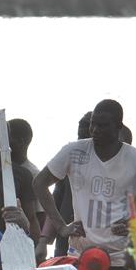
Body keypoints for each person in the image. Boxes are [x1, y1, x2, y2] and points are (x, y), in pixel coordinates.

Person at [33, 99, 136, 270]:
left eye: (103, 125)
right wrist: (61, 227)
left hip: (119, 258)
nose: (95, 130)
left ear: (118, 127)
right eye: (93, 124)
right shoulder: (74, 151)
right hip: (80, 254)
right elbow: (39, 183)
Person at [38, 111, 92, 259]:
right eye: (79, 135)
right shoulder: (69, 163)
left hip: (97, 245)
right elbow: (55, 199)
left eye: (86, 136)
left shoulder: (111, 167)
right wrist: (44, 240)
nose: (80, 141)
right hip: (67, 239)